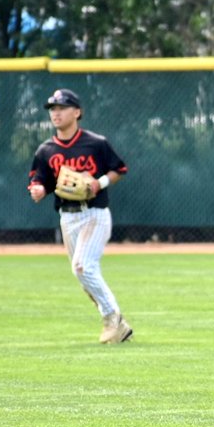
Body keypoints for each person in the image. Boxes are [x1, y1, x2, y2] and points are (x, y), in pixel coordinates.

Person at [27, 88, 133, 344]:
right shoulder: (46, 150)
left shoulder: (96, 143)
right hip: (67, 218)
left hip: (94, 213)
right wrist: (38, 190)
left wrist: (99, 184)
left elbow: (119, 169)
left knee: (82, 266)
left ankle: (113, 320)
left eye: (62, 108)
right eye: (53, 109)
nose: (56, 113)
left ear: (77, 112)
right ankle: (118, 323)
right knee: (85, 279)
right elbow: (38, 180)